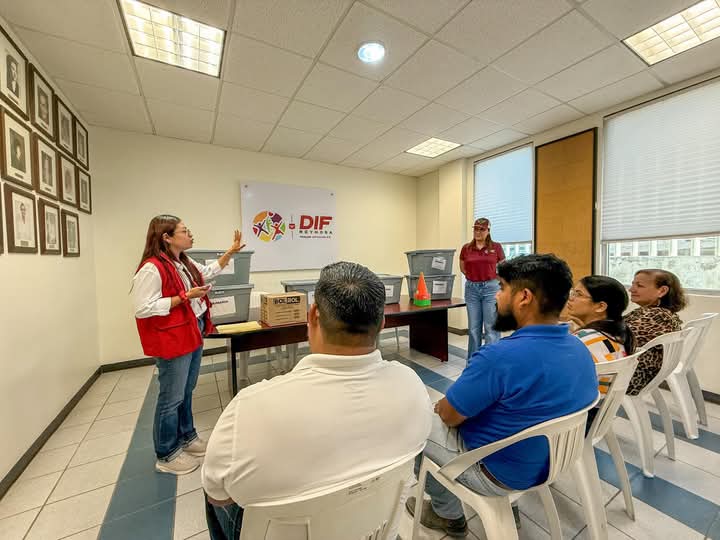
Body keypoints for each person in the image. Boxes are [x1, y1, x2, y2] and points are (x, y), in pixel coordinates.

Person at [202, 261, 432, 540]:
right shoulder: (412, 386)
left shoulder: (249, 408)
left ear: (312, 315)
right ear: (382, 323)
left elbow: (217, 494)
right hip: (377, 528)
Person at [406, 254, 598, 537]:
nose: (496, 296)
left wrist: (438, 409)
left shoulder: (499, 357)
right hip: (552, 463)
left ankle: (446, 514)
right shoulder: (580, 348)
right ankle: (509, 507)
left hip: (497, 473)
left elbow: (448, 415)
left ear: (524, 297)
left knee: (418, 422)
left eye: (502, 287)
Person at [132, 215, 245, 475]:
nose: (190, 234)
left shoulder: (182, 261)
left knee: (186, 389)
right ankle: (166, 453)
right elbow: (143, 308)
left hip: (191, 328)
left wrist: (230, 252)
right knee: (171, 396)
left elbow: (207, 273)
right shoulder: (151, 268)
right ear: (166, 237)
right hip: (172, 336)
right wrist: (183, 297)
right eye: (184, 231)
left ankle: (187, 436)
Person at [567, 275, 636, 390]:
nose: (571, 298)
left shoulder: (581, 340)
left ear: (600, 307)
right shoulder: (616, 332)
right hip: (602, 396)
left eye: (578, 294)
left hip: (585, 398)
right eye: (573, 292)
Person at [624, 269, 686, 396]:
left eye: (639, 286)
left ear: (662, 291)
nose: (631, 289)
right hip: (637, 372)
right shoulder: (653, 312)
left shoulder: (658, 317)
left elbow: (615, 337)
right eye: (633, 284)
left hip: (631, 378)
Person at [459, 218, 505, 358]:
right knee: (474, 328)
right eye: (476, 229)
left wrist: (496, 281)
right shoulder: (466, 248)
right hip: (472, 289)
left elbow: (503, 267)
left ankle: (491, 360)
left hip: (491, 288)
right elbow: (463, 268)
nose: (478, 232)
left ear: (488, 231)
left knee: (491, 327)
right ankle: (474, 361)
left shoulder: (496, 247)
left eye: (482, 229)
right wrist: (474, 277)